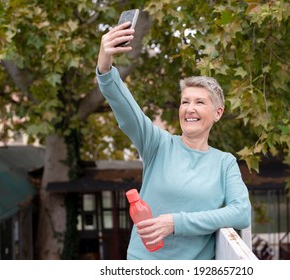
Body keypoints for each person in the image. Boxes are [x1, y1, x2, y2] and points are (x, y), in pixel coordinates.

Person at [96, 21, 251, 260]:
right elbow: (125, 108)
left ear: (218, 113)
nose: (190, 109)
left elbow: (241, 213)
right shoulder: (158, 145)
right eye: (185, 101)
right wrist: (105, 65)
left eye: (200, 102)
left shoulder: (225, 163)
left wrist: (175, 223)